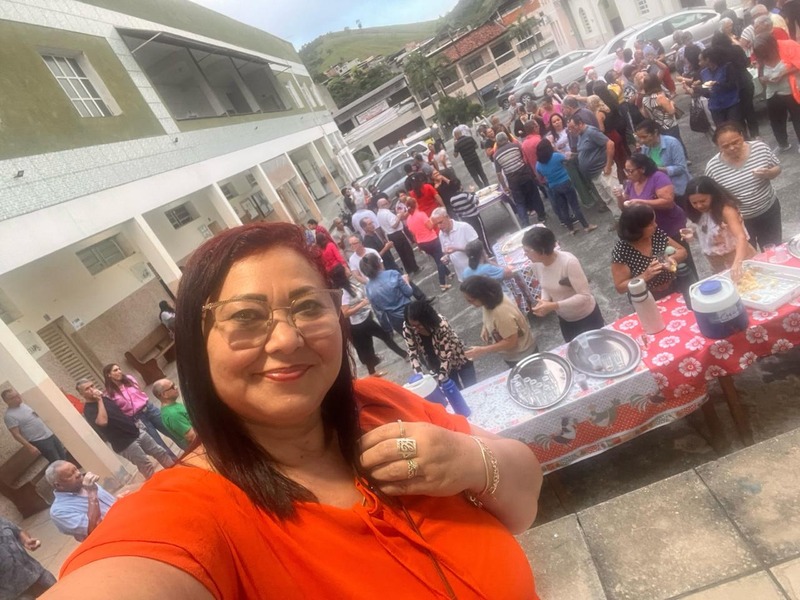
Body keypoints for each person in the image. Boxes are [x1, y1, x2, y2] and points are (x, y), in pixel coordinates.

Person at [50, 221, 542, 598]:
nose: (287, 339)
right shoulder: (192, 511)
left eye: (308, 306)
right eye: (246, 316)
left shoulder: (380, 402)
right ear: (197, 346)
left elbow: (525, 503)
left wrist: (470, 460)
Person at [76, 378, 175, 479]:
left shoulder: (105, 398)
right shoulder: (89, 410)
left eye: (92, 386)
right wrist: (99, 401)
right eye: (87, 389)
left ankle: (176, 474)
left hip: (136, 432)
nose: (92, 389)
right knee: (146, 466)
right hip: (125, 444)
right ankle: (159, 485)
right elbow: (102, 422)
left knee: (160, 452)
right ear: (82, 394)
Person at [705, 122, 782, 250]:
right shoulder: (713, 167)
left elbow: (777, 168)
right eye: (725, 146)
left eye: (735, 142)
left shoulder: (760, 148)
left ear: (742, 135)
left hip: (768, 210)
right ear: (718, 146)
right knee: (747, 253)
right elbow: (713, 198)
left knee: (772, 250)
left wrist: (769, 173)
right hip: (739, 221)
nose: (732, 148)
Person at [521, 227, 605, 342]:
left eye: (527, 251)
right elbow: (545, 285)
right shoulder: (535, 264)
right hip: (565, 319)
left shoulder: (568, 262)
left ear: (542, 250)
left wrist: (554, 305)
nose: (525, 254)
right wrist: (544, 302)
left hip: (586, 317)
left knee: (598, 346)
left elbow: (584, 296)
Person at [330, 265, 407, 376]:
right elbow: (345, 312)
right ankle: (403, 355)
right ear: (342, 274)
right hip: (360, 324)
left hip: (366, 319)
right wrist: (362, 304)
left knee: (374, 343)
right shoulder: (343, 292)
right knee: (376, 342)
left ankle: (376, 370)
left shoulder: (350, 285)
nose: (348, 269)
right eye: (345, 269)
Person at [685, 176, 757, 280]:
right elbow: (707, 232)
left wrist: (738, 262)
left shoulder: (726, 210)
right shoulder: (696, 212)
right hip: (715, 261)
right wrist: (692, 233)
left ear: (713, 195)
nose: (699, 206)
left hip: (737, 255)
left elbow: (741, 237)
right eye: (694, 203)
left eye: (703, 201)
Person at [611, 205, 688, 300]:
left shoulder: (655, 234)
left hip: (674, 286)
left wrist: (671, 259)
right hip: (646, 297)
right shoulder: (621, 251)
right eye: (650, 224)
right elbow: (620, 287)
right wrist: (645, 276)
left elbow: (682, 251)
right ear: (637, 228)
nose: (655, 225)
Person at [103, 364, 179, 457]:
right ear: (108, 375)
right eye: (115, 370)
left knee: (172, 431)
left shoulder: (129, 379)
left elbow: (139, 391)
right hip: (138, 418)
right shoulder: (109, 394)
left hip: (150, 409)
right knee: (158, 444)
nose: (119, 371)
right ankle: (174, 461)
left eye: (119, 369)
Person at [460, 275, 536, 368]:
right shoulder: (490, 300)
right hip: (514, 354)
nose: (469, 304)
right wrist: (485, 327)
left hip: (522, 356)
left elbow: (511, 342)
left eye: (471, 300)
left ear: (482, 296)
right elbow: (488, 315)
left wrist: (482, 350)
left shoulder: (501, 313)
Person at [402, 300, 476, 391]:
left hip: (458, 357)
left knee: (472, 388)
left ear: (426, 320)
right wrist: (420, 376)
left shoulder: (441, 325)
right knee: (455, 391)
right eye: (412, 326)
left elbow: (445, 357)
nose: (416, 329)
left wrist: (440, 380)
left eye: (419, 325)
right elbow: (413, 353)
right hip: (437, 362)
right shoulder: (408, 328)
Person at [617, 154, 688, 243]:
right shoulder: (631, 183)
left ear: (642, 169)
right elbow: (624, 208)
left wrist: (642, 203)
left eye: (630, 171)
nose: (627, 175)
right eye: (626, 171)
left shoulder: (658, 177)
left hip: (670, 225)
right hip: (650, 231)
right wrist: (619, 197)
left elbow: (668, 202)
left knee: (679, 250)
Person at [535, 138, 597, 234]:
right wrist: (556, 149)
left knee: (563, 208)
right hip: (565, 182)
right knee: (575, 206)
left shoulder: (538, 164)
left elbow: (540, 178)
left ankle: (571, 229)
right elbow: (568, 157)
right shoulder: (556, 156)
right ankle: (586, 226)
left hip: (553, 186)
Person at [46, 461, 117, 541]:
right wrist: (91, 493)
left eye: (76, 469)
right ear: (58, 485)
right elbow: (93, 529)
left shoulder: (86, 484)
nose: (78, 474)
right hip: (111, 539)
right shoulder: (58, 511)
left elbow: (111, 505)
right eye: (70, 475)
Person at [753, 34, 800, 153]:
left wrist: (782, 74)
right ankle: (783, 143)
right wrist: (764, 79)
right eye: (761, 53)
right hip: (772, 92)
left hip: (790, 90)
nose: (764, 55)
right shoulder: (761, 59)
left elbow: (798, 65)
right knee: (775, 120)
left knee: (797, 117)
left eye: (765, 51)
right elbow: (760, 77)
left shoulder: (787, 48)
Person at [568, 114, 619, 216]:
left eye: (573, 127)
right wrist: (575, 155)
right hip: (594, 175)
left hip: (603, 172)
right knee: (608, 200)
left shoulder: (591, 132)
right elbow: (588, 150)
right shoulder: (580, 135)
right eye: (569, 128)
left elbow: (610, 144)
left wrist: (608, 166)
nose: (571, 131)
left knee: (616, 197)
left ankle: (629, 218)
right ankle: (619, 218)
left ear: (580, 123)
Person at [1, 388, 69, 463]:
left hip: (49, 434)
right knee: (57, 461)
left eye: (17, 395)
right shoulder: (9, 416)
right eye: (13, 397)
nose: (18, 398)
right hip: (40, 440)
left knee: (63, 456)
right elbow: (16, 434)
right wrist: (30, 447)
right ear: (7, 401)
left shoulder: (25, 405)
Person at [635, 119, 690, 209]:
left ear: (655, 132)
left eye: (644, 137)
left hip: (679, 190)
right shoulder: (645, 149)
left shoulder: (672, 143)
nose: (641, 141)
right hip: (661, 192)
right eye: (639, 138)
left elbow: (681, 168)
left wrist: (657, 169)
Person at [493, 132, 545, 225]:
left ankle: (525, 223)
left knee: (519, 202)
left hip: (513, 181)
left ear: (497, 142)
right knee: (534, 196)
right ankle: (542, 216)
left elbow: (499, 173)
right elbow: (524, 159)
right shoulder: (516, 146)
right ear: (507, 138)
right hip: (525, 175)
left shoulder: (496, 155)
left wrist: (504, 186)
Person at [404, 197, 452, 291]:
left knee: (437, 258)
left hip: (422, 243)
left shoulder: (408, 219)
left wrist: (418, 245)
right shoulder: (421, 214)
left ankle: (448, 273)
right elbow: (430, 227)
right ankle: (442, 283)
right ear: (416, 204)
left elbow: (413, 234)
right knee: (440, 260)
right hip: (432, 240)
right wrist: (432, 220)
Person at [0, 515, 55, 598]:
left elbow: (17, 531)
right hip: (14, 594)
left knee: (64, 593)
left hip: (37, 573)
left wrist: (26, 540)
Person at [361, 253, 414, 335]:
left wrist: (387, 327)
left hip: (395, 320)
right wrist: (406, 281)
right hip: (410, 311)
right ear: (378, 263)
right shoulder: (392, 274)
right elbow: (409, 292)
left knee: (410, 339)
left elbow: (378, 310)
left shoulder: (368, 288)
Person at [698, 46, 743, 126]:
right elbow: (707, 93)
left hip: (731, 103)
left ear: (707, 59)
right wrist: (700, 90)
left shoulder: (726, 67)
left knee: (734, 127)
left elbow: (733, 84)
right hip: (715, 107)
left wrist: (718, 84)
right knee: (722, 130)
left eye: (701, 60)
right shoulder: (703, 73)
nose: (699, 63)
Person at [431, 207, 478, 282]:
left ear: (447, 217)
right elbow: (447, 252)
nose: (439, 226)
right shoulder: (441, 234)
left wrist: (457, 249)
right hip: (462, 276)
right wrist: (446, 257)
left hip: (478, 272)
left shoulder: (464, 227)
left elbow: (478, 248)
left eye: (440, 222)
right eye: (436, 224)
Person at [447, 181, 493, 257]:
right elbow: (476, 201)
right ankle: (489, 252)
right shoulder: (465, 195)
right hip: (474, 217)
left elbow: (456, 211)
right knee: (482, 234)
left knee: (473, 237)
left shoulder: (452, 199)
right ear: (459, 186)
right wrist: (473, 192)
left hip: (465, 220)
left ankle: (480, 255)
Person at [375, 198, 419, 274]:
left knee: (402, 254)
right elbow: (394, 225)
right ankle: (415, 268)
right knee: (407, 251)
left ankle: (408, 269)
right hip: (397, 234)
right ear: (383, 205)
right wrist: (399, 216)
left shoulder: (379, 214)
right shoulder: (387, 213)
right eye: (387, 203)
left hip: (390, 235)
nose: (388, 204)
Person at [152, 379, 197, 451]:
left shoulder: (173, 406)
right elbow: (192, 436)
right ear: (164, 394)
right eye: (172, 387)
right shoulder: (172, 414)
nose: (176, 387)